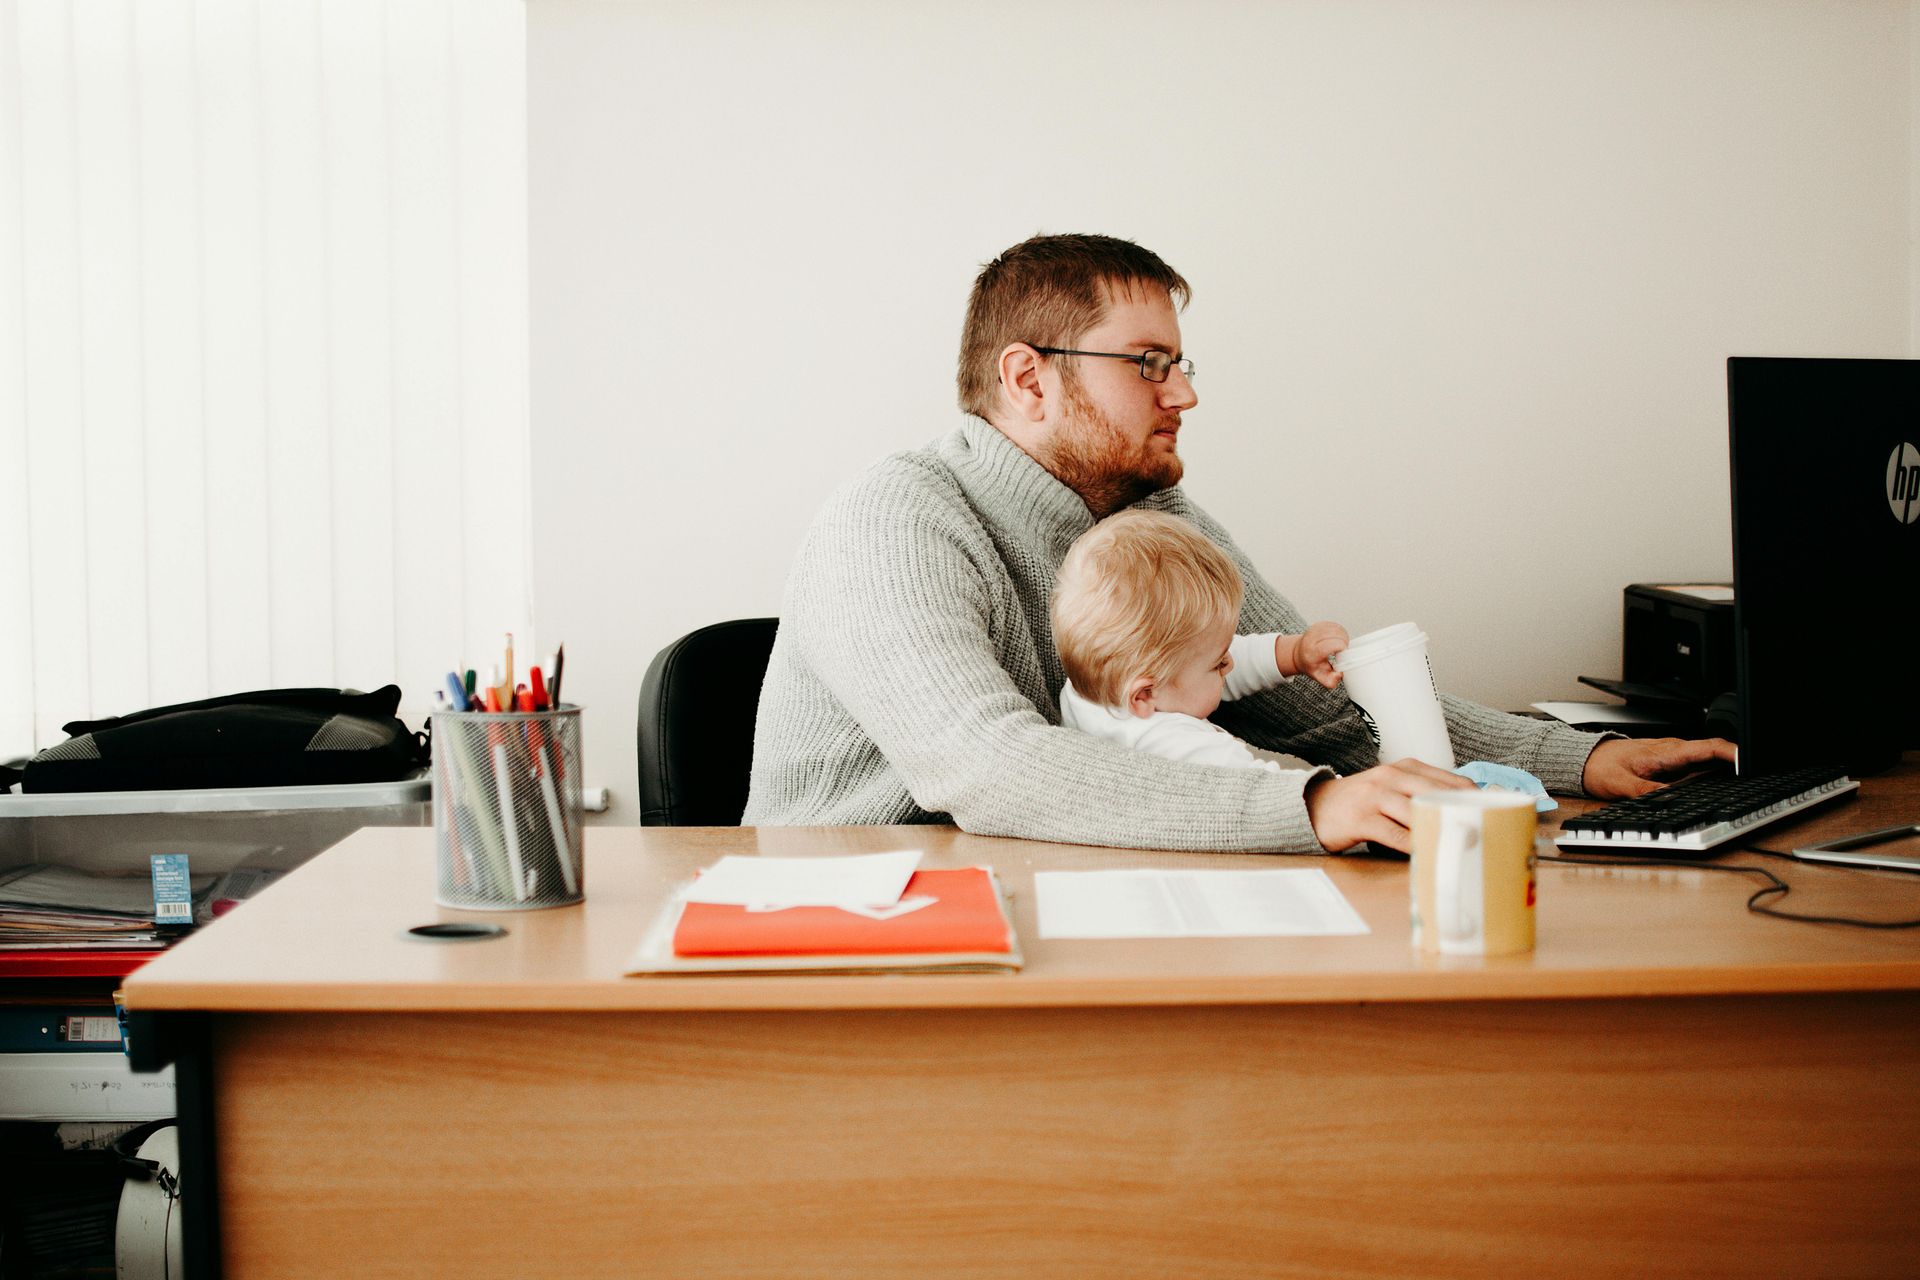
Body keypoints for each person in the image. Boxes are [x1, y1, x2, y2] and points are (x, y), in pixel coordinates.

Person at [742, 233, 1734, 852]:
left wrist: (1582, 761)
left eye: (1180, 363)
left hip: (1058, 894)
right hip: (862, 941)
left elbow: (1324, 709)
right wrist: (1309, 810)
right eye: (1148, 364)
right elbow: (984, 766)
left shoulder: (1153, 519)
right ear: (1029, 378)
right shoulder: (895, 520)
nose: (1185, 393)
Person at [1052, 508, 1348, 775]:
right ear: (1143, 696)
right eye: (1219, 663)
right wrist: (1342, 793)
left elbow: (1193, 670)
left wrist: (1293, 654)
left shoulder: (1090, 691)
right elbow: (1268, 795)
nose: (1230, 663)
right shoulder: (1181, 748)